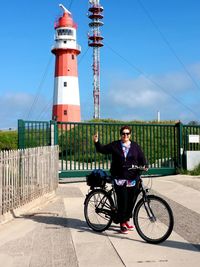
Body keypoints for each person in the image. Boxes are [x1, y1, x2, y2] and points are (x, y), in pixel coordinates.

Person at [93, 125, 148, 234]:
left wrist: (145, 166)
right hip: (119, 178)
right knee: (123, 201)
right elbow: (102, 149)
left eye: (127, 133)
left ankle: (125, 219)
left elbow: (142, 158)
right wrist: (96, 141)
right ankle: (122, 223)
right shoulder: (115, 145)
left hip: (132, 179)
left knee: (130, 201)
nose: (125, 135)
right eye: (123, 133)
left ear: (130, 135)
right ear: (121, 135)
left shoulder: (135, 146)